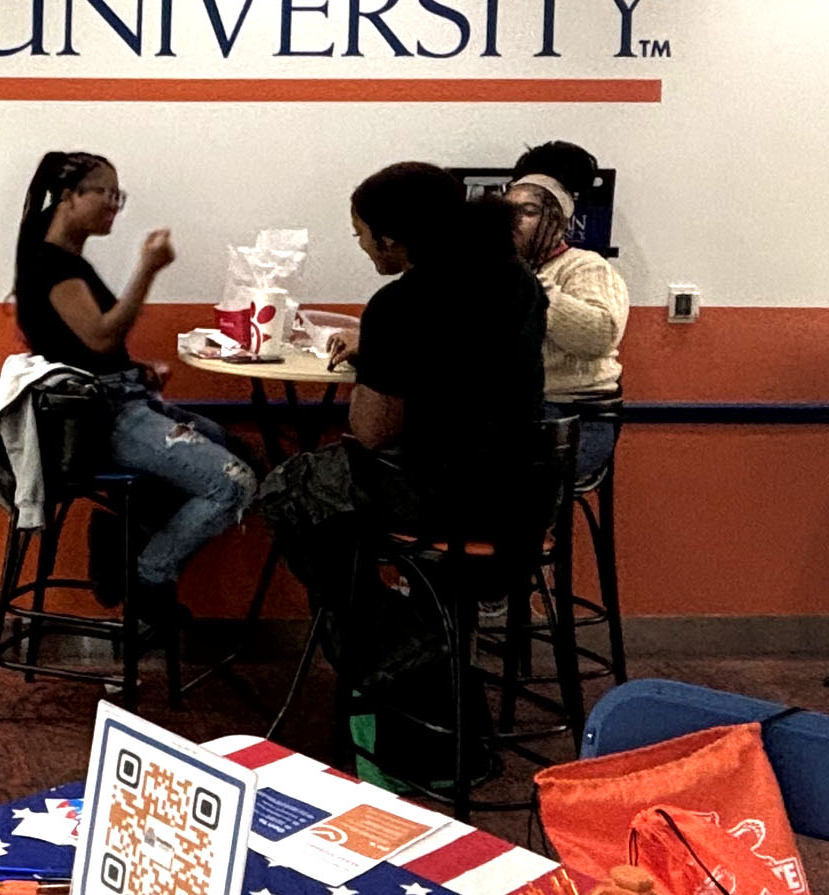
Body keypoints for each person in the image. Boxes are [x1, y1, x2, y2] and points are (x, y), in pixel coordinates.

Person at [254, 162, 545, 787]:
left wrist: (378, 356)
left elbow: (374, 431)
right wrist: (384, 349)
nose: (361, 247)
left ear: (394, 240)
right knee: (333, 518)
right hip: (521, 499)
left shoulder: (399, 302)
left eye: (362, 235)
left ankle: (398, 660)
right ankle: (418, 659)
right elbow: (465, 360)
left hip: (442, 497)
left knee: (290, 493)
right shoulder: (516, 280)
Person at [11, 151, 256, 617]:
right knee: (234, 486)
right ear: (69, 197)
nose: (114, 205)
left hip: (120, 396)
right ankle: (147, 577)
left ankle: (122, 535)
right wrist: (147, 269)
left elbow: (80, 346)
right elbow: (101, 336)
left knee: (238, 452)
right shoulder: (52, 265)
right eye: (105, 193)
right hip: (104, 418)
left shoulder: (62, 261)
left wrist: (132, 367)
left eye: (117, 195)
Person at [508, 140, 629, 481]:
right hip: (514, 415)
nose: (514, 220)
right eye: (509, 210)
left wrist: (533, 287)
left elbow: (598, 335)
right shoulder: (495, 274)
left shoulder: (586, 268)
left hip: (572, 422)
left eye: (529, 212)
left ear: (558, 221)